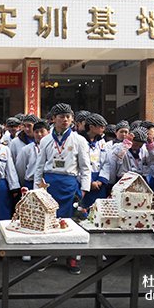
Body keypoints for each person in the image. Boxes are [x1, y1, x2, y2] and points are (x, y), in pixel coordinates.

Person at [34, 103, 91, 275]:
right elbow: (39, 166)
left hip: (70, 184)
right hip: (49, 184)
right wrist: (37, 188)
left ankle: (72, 258)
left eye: (68, 116)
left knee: (73, 223)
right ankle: (47, 256)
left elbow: (85, 167)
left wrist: (84, 189)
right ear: (53, 119)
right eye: (61, 116)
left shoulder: (79, 140)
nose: (65, 119)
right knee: (48, 221)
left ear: (72, 119)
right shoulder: (45, 140)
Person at [79, 113, 109, 209]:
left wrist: (101, 180)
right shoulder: (79, 140)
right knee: (83, 209)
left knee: (99, 209)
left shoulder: (101, 142)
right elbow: (77, 163)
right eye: (101, 126)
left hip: (99, 180)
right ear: (91, 127)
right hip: (84, 178)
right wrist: (89, 182)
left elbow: (106, 162)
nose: (103, 129)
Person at [15, 120, 49, 189]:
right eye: (36, 132)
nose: (39, 134)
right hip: (30, 182)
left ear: (48, 132)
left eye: (42, 131)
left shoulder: (52, 148)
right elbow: (20, 169)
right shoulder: (26, 149)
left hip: (48, 182)